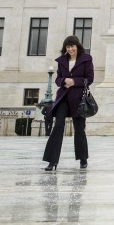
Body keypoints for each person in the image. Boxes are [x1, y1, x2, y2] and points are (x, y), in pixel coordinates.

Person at [42, 36, 94, 171]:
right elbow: (58, 79)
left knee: (79, 129)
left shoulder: (86, 59)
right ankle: (52, 161)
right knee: (58, 126)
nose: (70, 49)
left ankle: (83, 158)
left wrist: (75, 82)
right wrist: (64, 81)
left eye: (72, 46)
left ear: (77, 46)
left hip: (78, 99)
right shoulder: (62, 61)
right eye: (68, 47)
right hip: (63, 97)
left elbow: (90, 79)